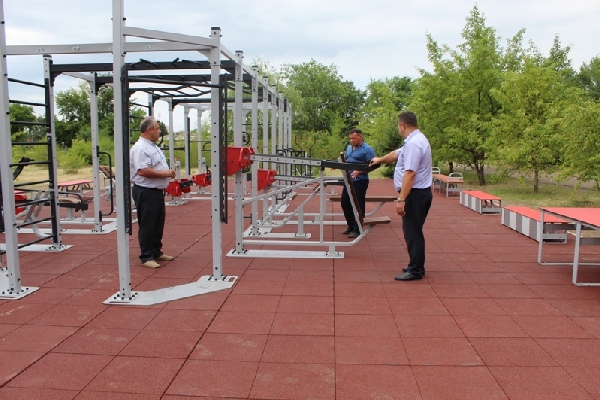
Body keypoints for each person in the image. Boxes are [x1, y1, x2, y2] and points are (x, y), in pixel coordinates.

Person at [370, 112, 432, 281]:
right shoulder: (415, 140)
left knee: (413, 232)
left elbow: (410, 173)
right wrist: (380, 160)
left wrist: (401, 199)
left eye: (398, 126)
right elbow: (396, 154)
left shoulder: (414, 144)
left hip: (415, 195)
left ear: (403, 125)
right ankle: (415, 264)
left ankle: (416, 270)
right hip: (418, 193)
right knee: (412, 231)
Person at [130, 116, 176, 268]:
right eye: (157, 128)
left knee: (157, 223)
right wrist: (165, 174)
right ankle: (146, 256)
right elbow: (143, 171)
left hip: (155, 191)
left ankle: (156, 251)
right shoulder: (140, 148)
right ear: (149, 130)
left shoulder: (152, 146)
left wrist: (166, 173)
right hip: (146, 191)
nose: (159, 131)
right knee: (148, 224)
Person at [340, 128, 375, 238]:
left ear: (360, 136)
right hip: (348, 180)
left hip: (360, 181)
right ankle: (351, 225)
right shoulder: (349, 148)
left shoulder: (368, 150)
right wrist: (338, 165)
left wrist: (360, 171)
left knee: (358, 204)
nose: (352, 141)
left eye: (354, 138)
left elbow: (373, 166)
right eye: (350, 138)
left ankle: (357, 228)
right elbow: (347, 160)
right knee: (345, 202)